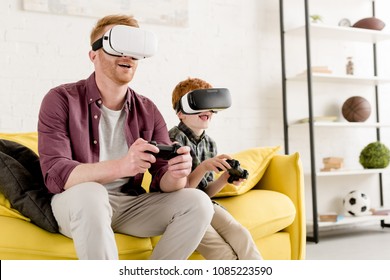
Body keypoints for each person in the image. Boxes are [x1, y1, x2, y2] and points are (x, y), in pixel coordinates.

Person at [37, 15, 214, 260]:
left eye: (132, 48)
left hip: (129, 205)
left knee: (198, 202)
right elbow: (56, 174)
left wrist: (177, 173)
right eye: (116, 46)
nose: (126, 55)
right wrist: (122, 165)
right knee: (92, 193)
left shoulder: (148, 110)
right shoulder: (60, 99)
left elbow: (165, 182)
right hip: (77, 203)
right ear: (94, 55)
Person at [169, 77, 263, 260]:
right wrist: (203, 167)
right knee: (224, 253)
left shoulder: (210, 144)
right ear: (181, 113)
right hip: (181, 210)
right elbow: (181, 193)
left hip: (205, 204)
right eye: (199, 103)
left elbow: (205, 193)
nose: (207, 110)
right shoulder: (173, 140)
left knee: (241, 235)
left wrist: (224, 178)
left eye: (210, 104)